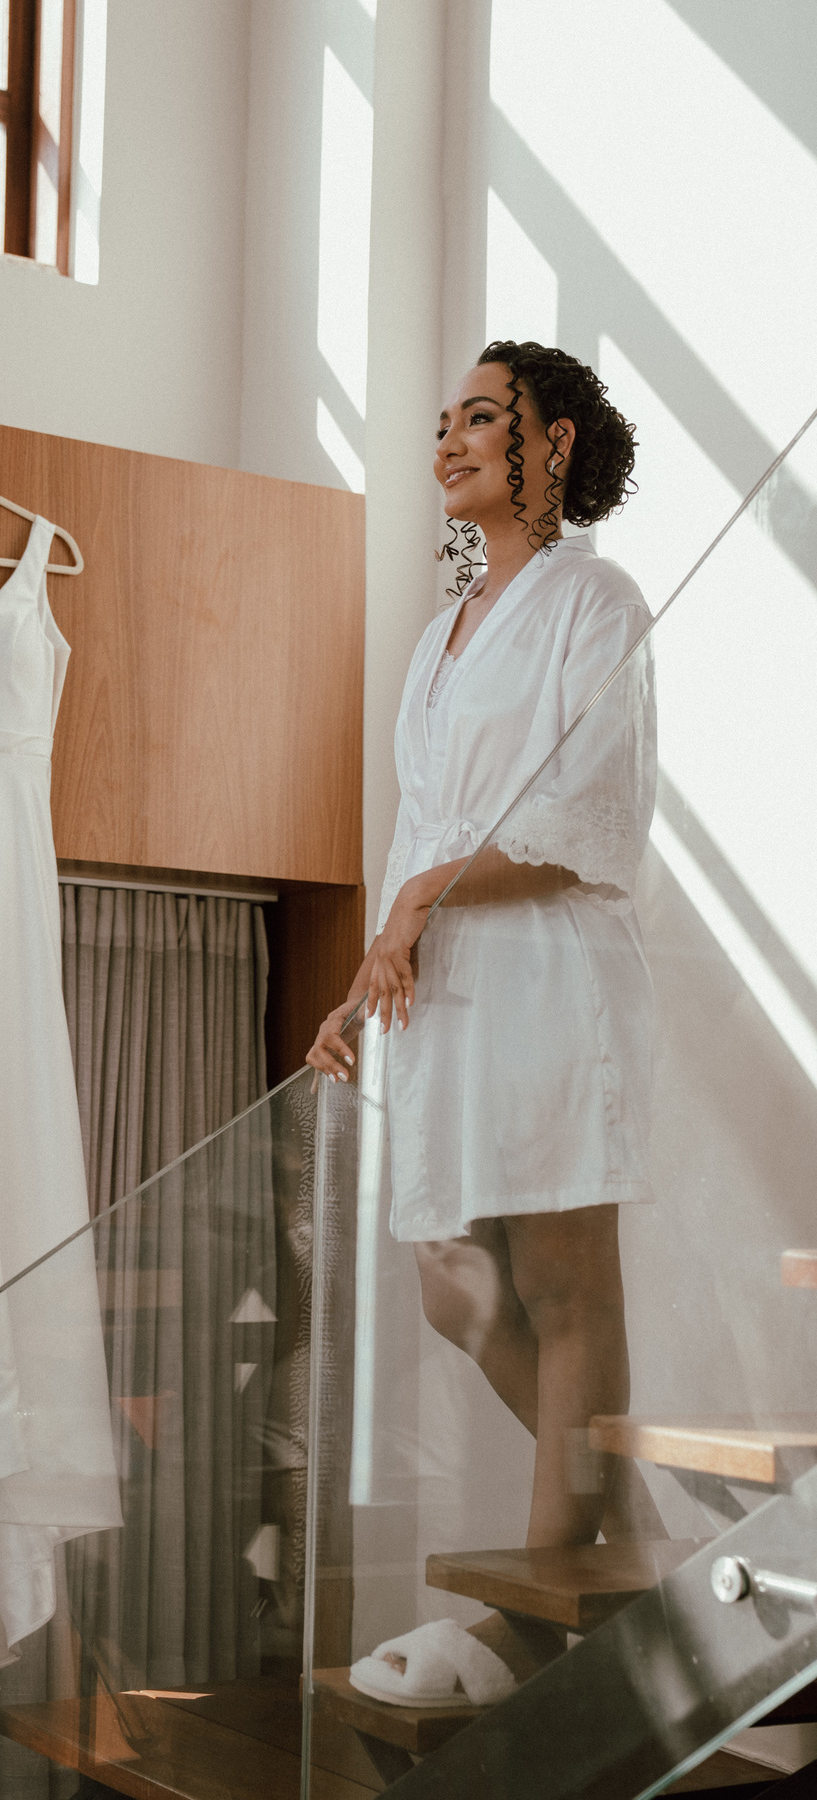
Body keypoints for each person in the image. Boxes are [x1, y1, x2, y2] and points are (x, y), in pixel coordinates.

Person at [307, 341, 663, 1702]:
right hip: (445, 987)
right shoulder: (442, 632)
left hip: (550, 975)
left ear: (552, 442)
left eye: (479, 418)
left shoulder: (597, 601)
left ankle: (548, 1611)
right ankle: (627, 1525)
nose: (446, 441)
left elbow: (597, 813)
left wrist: (422, 899)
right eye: (441, 422)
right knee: (451, 1280)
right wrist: (365, 979)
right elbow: (421, 829)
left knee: (567, 1287)